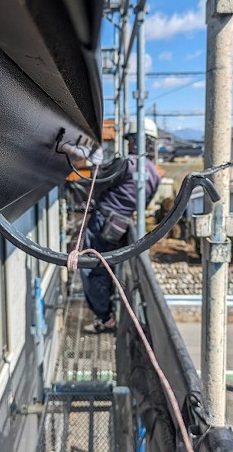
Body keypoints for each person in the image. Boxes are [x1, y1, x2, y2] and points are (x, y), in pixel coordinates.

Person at [80, 134, 161, 333]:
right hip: (121, 225)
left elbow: (98, 182)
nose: (128, 143)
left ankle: (105, 317)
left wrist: (94, 162)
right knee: (108, 267)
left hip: (103, 220)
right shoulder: (155, 173)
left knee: (91, 267)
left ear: (140, 141)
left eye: (131, 139)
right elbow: (144, 203)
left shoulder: (127, 164)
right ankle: (108, 313)